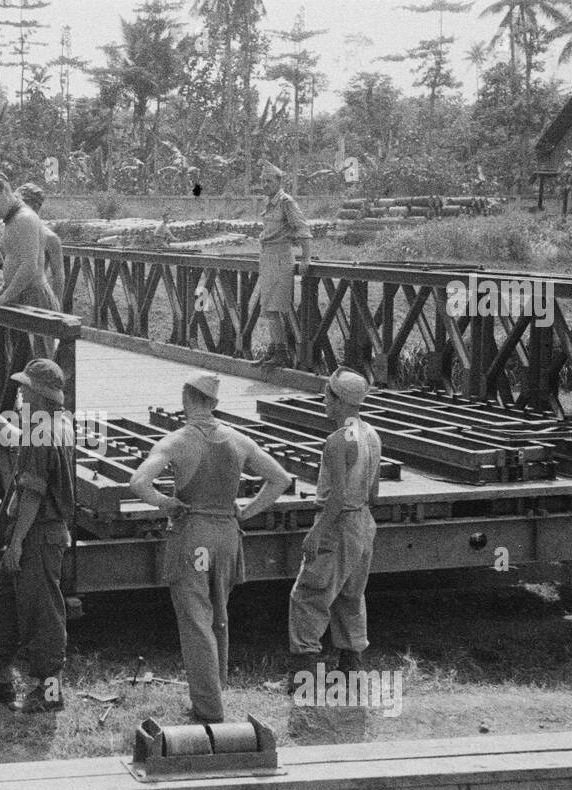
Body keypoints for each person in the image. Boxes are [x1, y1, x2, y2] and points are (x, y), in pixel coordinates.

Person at [129, 373, 292, 723]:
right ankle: (215, 691)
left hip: (194, 537)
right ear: (214, 404)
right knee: (219, 617)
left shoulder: (176, 441)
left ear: (186, 397)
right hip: (227, 537)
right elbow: (280, 478)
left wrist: (165, 502)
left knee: (196, 621)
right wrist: (246, 511)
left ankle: (208, 709)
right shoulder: (239, 440)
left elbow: (139, 481)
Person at [0, 359, 76, 714]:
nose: (19, 392)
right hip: (42, 534)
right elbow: (22, 443)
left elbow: (33, 491)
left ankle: (50, 693)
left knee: (43, 614)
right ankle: (1, 680)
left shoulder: (41, 429)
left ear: (39, 394)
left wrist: (16, 542)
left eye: (24, 388)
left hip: (37, 534)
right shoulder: (58, 424)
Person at [287, 367, 382, 677]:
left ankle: (306, 675)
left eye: (327, 395)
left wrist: (316, 533)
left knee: (308, 596)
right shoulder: (371, 435)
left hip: (339, 524)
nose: (324, 400)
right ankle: (352, 669)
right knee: (350, 596)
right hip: (364, 522)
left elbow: (337, 497)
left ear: (339, 400)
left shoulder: (338, 440)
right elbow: (374, 491)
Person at [0, 169, 59, 311]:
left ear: (5, 189)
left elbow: (29, 266)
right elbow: (12, 261)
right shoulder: (12, 219)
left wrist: (2, 299)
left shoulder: (24, 218)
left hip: (34, 297)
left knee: (39, 333)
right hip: (21, 293)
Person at [255, 164, 313, 369]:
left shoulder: (286, 202)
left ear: (279, 182)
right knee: (268, 308)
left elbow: (302, 228)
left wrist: (306, 258)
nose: (265, 185)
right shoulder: (269, 203)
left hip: (281, 258)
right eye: (262, 181)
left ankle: (282, 353)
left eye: (269, 181)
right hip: (268, 258)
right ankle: (274, 349)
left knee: (276, 307)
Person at [13, 183, 65, 305]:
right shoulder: (12, 231)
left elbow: (58, 275)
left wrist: (57, 305)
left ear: (35, 207)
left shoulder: (50, 238)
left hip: (35, 295)